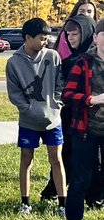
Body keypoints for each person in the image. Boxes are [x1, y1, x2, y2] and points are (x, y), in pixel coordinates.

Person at [5, 18, 66, 216]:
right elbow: (14, 93)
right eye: (41, 38)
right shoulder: (14, 63)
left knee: (56, 159)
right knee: (26, 159)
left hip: (53, 120)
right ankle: (25, 203)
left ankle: (62, 204)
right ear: (28, 38)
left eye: (47, 38)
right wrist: (28, 109)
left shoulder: (53, 57)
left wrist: (57, 103)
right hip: (28, 122)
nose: (45, 42)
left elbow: (60, 83)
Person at [41, 13, 96, 201]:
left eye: (75, 34)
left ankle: (94, 196)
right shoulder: (69, 61)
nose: (70, 38)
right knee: (66, 154)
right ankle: (55, 190)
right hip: (70, 115)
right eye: (68, 34)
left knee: (92, 160)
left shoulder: (94, 60)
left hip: (93, 117)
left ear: (87, 33)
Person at [62, 18, 104, 220]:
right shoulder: (84, 63)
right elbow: (67, 95)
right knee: (80, 180)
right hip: (85, 131)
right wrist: (91, 100)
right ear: (96, 38)